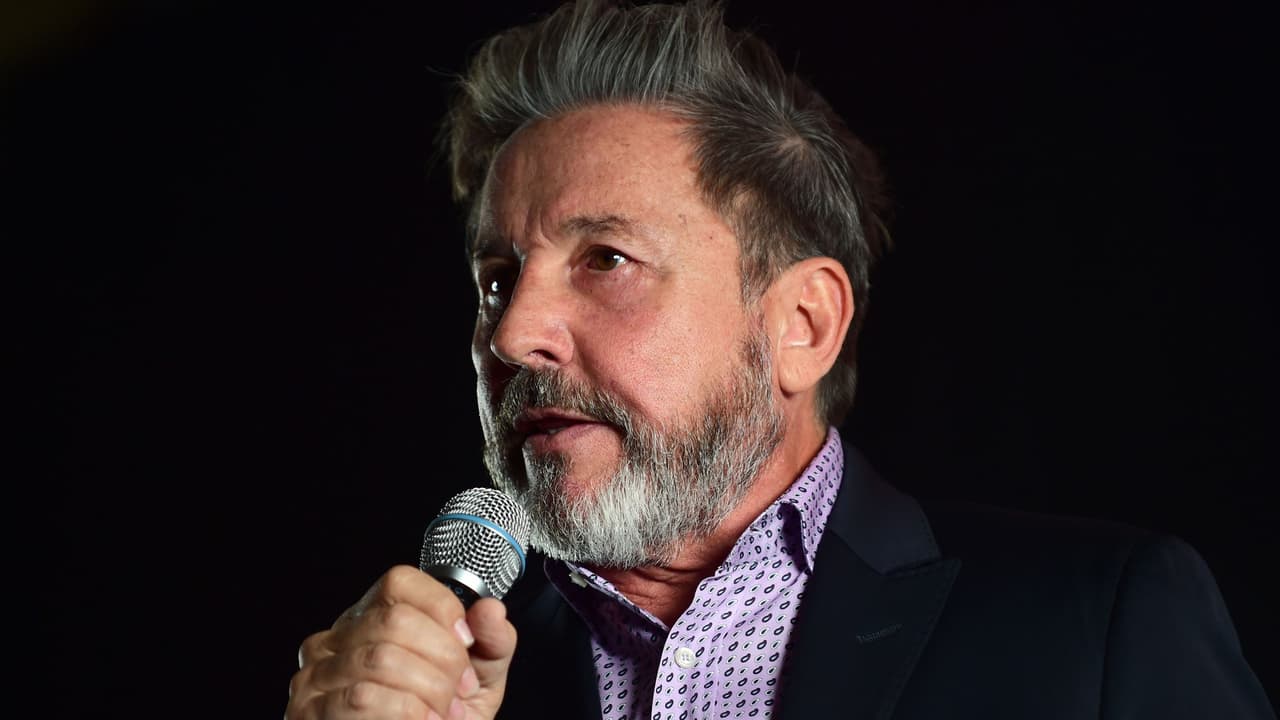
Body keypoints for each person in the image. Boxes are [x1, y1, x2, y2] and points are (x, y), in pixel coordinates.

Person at [285, 1, 1274, 718]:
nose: (511, 335)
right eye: (498, 279)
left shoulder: (1092, 628)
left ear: (801, 324)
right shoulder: (435, 682)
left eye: (606, 259)